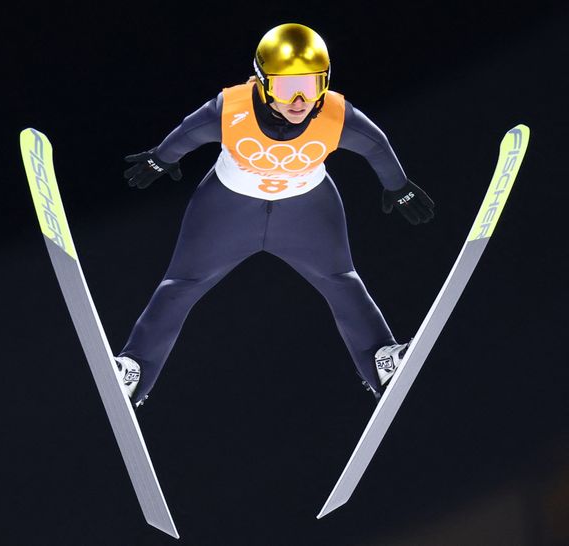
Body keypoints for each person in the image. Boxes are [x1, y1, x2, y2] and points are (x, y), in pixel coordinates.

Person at [115, 23, 434, 407]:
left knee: (341, 280)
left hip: (307, 211)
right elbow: (190, 131)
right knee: (181, 284)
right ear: (263, 82)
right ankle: (134, 370)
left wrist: (397, 187)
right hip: (227, 209)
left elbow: (376, 146)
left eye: (312, 85)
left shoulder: (336, 116)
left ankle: (382, 361)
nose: (299, 100)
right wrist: (161, 159)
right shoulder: (230, 108)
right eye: (285, 88)